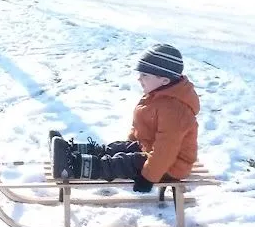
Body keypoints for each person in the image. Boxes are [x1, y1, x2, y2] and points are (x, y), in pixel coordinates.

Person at [50, 43, 199, 193]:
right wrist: (128, 145)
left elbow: (166, 150)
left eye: (144, 75)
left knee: (123, 164)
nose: (139, 79)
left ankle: (73, 166)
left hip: (171, 166)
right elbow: (142, 126)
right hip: (152, 151)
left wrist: (148, 177)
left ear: (164, 80)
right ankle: (69, 151)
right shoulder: (159, 95)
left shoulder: (175, 110)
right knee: (116, 149)